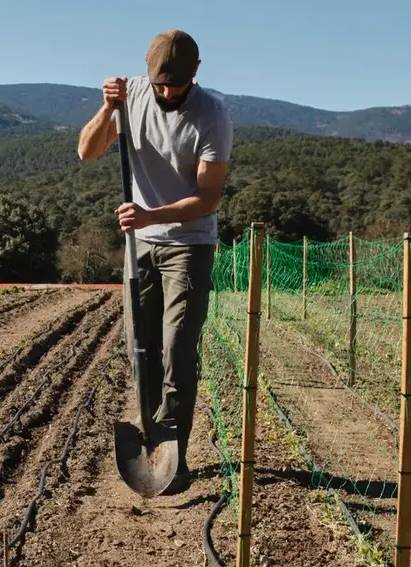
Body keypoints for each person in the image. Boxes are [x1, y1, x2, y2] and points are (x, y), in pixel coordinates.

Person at [76, 29, 233, 494]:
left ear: (195, 75)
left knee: (177, 348)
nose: (167, 93)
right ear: (147, 71)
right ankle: (150, 438)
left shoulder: (212, 116)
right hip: (139, 242)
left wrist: (151, 214)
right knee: (140, 345)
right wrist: (108, 108)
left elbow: (208, 198)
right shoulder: (131, 95)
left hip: (188, 242)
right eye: (160, 83)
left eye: (176, 85)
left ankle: (174, 446)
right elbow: (87, 151)